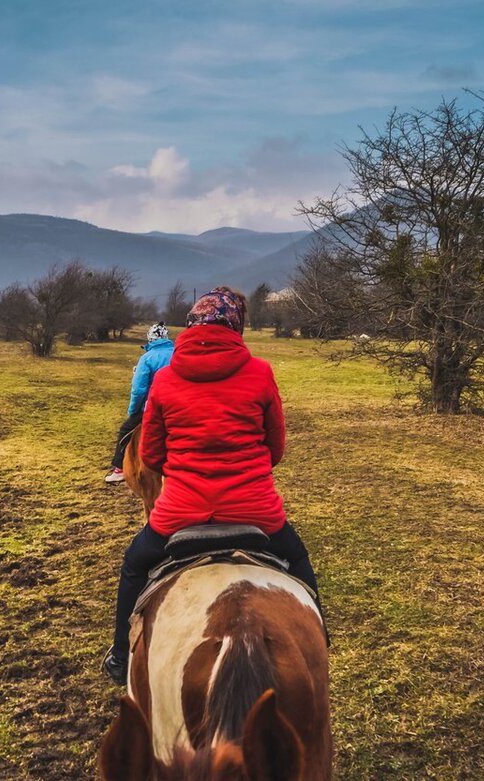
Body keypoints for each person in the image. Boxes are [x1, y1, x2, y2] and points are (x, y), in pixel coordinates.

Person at [102, 287, 322, 685]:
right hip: (256, 511)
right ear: (237, 326)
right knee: (300, 561)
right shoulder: (260, 372)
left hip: (180, 513)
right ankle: (320, 645)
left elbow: (151, 454)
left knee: (135, 564)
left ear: (190, 325)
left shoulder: (166, 379)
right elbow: (276, 449)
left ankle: (120, 656)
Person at [104, 323, 175, 484]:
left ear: (150, 338)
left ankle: (119, 468)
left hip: (153, 407)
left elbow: (139, 390)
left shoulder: (147, 358)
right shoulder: (178, 353)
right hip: (178, 407)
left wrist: (133, 411)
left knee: (125, 430)